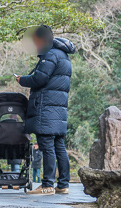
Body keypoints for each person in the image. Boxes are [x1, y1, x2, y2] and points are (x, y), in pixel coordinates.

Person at [14, 24, 76, 194]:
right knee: (59, 146)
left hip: (46, 108)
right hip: (57, 109)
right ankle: (63, 184)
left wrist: (22, 80)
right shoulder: (62, 54)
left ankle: (48, 184)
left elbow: (40, 78)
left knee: (47, 145)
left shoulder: (50, 54)